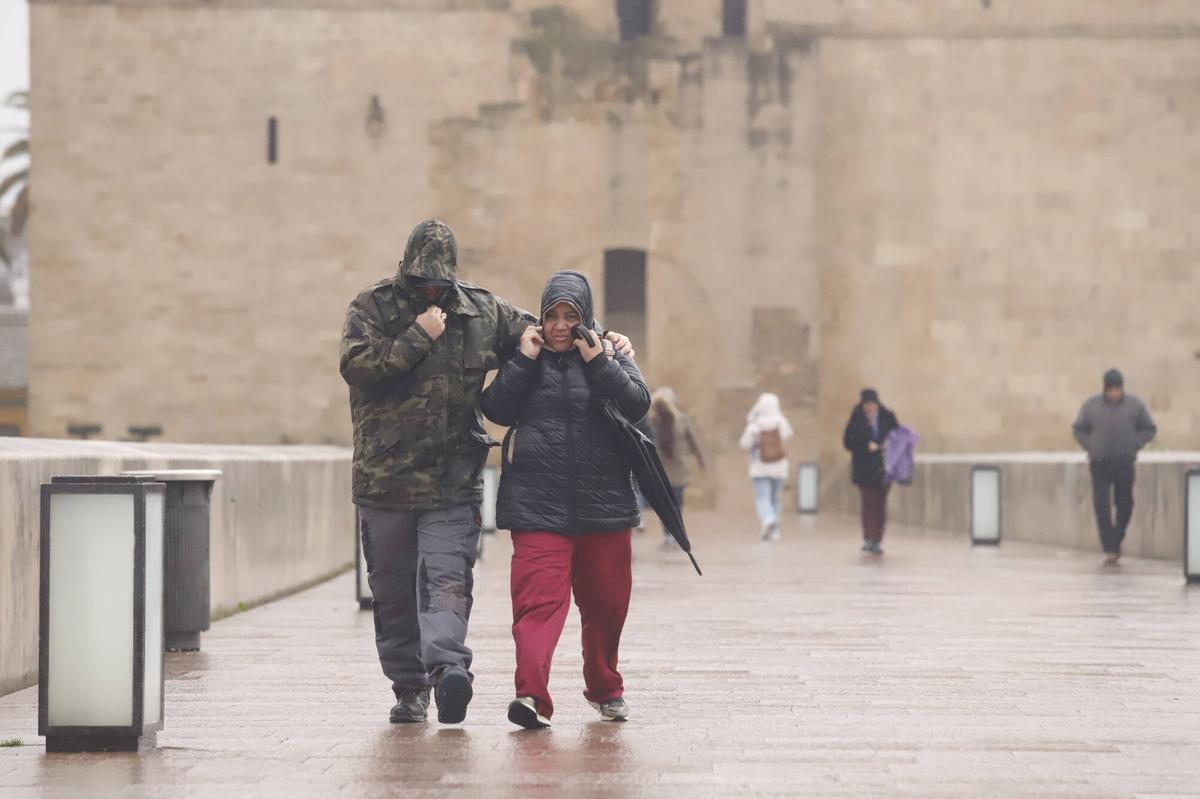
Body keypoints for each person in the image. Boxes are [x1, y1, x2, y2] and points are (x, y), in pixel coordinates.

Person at [339, 221, 633, 726]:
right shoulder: (372, 307)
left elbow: (552, 330)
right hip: (383, 479)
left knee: (447, 580)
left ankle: (448, 670)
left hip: (454, 479)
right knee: (390, 593)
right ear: (405, 271)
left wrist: (606, 339)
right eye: (421, 282)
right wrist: (416, 336)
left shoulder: (480, 309)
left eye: (439, 282)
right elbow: (358, 367)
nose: (431, 290)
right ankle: (409, 689)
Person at [480, 270, 650, 730]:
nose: (559, 325)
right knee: (537, 604)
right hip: (537, 507)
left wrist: (601, 363)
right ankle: (531, 695)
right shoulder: (527, 358)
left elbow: (638, 403)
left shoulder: (610, 352)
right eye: (551, 315)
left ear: (585, 317)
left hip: (605, 506)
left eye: (569, 315)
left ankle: (605, 687)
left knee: (608, 605)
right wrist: (522, 360)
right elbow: (494, 408)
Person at [1072, 368, 1157, 565]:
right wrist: (1090, 444)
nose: (1114, 393)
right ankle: (1110, 547)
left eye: (1118, 389)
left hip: (1124, 462)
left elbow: (1149, 429)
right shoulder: (1091, 406)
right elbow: (1078, 429)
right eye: (1111, 389)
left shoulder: (1135, 406)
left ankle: (1115, 540)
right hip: (1099, 463)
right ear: (1105, 389)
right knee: (1101, 506)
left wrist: (1135, 444)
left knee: (1125, 503)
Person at [843, 389, 899, 554]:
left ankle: (877, 539)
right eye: (866, 405)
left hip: (884, 468)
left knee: (880, 505)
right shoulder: (856, 418)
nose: (869, 408)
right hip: (864, 468)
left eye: (871, 404)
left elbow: (897, 438)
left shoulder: (888, 416)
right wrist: (865, 445)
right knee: (868, 503)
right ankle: (868, 538)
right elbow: (847, 442)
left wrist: (883, 444)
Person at [649, 387, 706, 546]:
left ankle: (676, 533)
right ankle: (668, 533)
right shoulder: (654, 420)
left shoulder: (683, 420)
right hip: (661, 468)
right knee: (665, 504)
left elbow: (693, 440)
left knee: (677, 502)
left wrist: (700, 458)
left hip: (679, 467)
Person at [739, 393, 793, 541]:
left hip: (760, 467)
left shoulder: (755, 425)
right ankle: (774, 531)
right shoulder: (782, 422)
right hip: (779, 467)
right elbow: (788, 436)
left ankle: (768, 519)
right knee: (775, 498)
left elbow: (744, 444)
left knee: (762, 497)